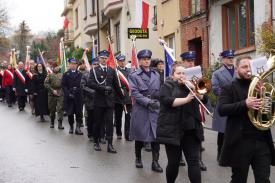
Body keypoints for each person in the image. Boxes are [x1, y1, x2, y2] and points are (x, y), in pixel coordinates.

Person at [218, 55, 275, 183]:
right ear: (237, 68)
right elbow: (222, 109)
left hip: (261, 140)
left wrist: (264, 97)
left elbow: (267, 115)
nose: (248, 69)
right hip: (240, 142)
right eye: (244, 67)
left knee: (264, 179)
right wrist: (245, 104)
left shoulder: (262, 86)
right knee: (239, 179)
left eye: (250, 66)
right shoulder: (229, 88)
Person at [156, 63, 208, 183]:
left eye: (184, 73)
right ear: (173, 75)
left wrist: (194, 87)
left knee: (194, 162)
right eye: (178, 73)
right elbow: (167, 101)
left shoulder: (192, 85)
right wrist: (186, 99)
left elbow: (204, 99)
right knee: (173, 163)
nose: (181, 76)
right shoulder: (167, 85)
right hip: (173, 130)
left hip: (191, 130)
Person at [128, 49, 163, 173]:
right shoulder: (133, 75)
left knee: (155, 136)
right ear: (139, 61)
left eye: (148, 59)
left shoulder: (156, 74)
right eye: (144, 59)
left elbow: (159, 91)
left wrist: (159, 102)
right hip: (141, 108)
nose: (146, 61)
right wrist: (148, 102)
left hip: (155, 108)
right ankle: (138, 158)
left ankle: (155, 162)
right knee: (140, 135)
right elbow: (135, 93)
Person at [88, 50, 123, 153]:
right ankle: (96, 142)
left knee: (109, 123)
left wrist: (122, 98)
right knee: (97, 122)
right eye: (102, 58)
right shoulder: (94, 70)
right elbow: (90, 83)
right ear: (99, 59)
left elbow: (116, 85)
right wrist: (102, 88)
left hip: (109, 101)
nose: (104, 60)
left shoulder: (112, 71)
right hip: (99, 100)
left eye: (105, 58)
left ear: (108, 59)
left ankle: (110, 144)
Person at [181, 51, 207, 171]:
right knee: (181, 137)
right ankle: (180, 157)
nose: (191, 64)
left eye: (193, 61)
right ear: (183, 62)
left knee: (198, 136)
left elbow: (204, 98)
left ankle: (199, 160)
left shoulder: (199, 76)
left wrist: (196, 87)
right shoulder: (179, 75)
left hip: (195, 112)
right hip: (181, 112)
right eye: (189, 61)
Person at [211, 50, 236, 161]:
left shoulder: (238, 70)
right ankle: (220, 153)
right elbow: (215, 89)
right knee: (222, 131)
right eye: (228, 58)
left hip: (237, 104)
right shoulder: (217, 73)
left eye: (232, 57)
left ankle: (235, 153)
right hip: (224, 104)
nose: (231, 59)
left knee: (236, 129)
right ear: (223, 59)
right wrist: (230, 95)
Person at [62, 58, 84, 135]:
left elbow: (83, 85)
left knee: (79, 113)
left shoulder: (80, 74)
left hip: (78, 96)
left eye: (75, 64)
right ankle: (71, 126)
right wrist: (68, 94)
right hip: (69, 96)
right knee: (70, 113)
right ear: (69, 64)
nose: (73, 65)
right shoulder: (66, 74)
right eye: (72, 64)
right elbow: (64, 86)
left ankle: (78, 128)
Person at [114, 54, 132, 141]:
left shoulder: (129, 71)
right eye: (120, 61)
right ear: (117, 62)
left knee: (128, 117)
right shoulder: (115, 71)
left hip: (128, 98)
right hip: (118, 98)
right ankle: (118, 133)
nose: (122, 62)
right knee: (118, 117)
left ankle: (127, 134)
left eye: (123, 61)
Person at [80, 58, 96, 141]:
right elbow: (83, 86)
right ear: (91, 65)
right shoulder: (86, 75)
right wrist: (93, 92)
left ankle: (100, 135)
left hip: (100, 100)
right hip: (90, 100)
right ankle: (90, 134)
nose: (96, 66)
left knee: (100, 118)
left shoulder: (102, 74)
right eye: (94, 64)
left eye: (97, 64)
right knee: (91, 118)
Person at [44, 65, 64, 129]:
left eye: (57, 67)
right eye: (55, 67)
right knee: (52, 109)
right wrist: (52, 90)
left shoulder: (62, 75)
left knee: (60, 109)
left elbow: (65, 83)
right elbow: (46, 83)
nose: (56, 68)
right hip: (52, 94)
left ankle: (60, 123)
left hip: (60, 93)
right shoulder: (50, 75)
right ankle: (52, 122)